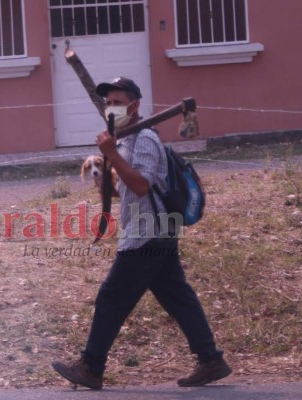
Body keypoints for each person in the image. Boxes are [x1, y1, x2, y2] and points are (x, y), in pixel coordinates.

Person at [52, 77, 231, 389]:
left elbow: (142, 184)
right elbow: (129, 190)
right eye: (108, 102)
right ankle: (211, 359)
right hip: (151, 230)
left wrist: (113, 154)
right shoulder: (123, 140)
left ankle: (91, 366)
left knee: (111, 298)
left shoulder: (145, 139)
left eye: (117, 102)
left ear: (134, 106)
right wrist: (108, 171)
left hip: (148, 233)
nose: (111, 107)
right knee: (177, 297)